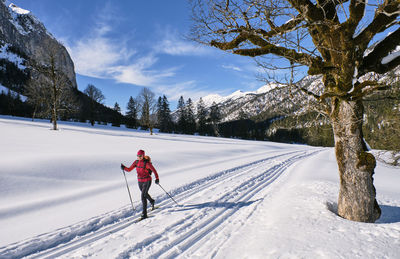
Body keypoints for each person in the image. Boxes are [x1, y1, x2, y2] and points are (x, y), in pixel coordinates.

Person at [121, 149, 160, 219]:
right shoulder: (136, 162)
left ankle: (144, 214)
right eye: (138, 156)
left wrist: (157, 178)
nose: (139, 157)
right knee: (144, 193)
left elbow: (154, 171)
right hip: (140, 181)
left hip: (147, 180)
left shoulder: (147, 163)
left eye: (140, 156)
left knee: (143, 196)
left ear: (143, 156)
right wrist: (124, 168)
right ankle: (152, 201)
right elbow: (129, 169)